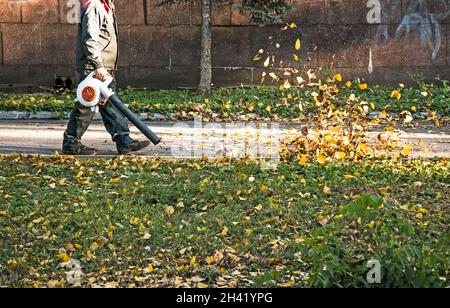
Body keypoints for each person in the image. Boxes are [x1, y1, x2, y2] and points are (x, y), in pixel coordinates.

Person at [62, 0, 150, 155]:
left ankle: (123, 141)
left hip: (103, 67)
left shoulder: (106, 5)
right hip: (95, 68)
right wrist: (97, 65)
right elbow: (89, 39)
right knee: (86, 105)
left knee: (108, 104)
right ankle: (71, 143)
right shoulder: (95, 5)